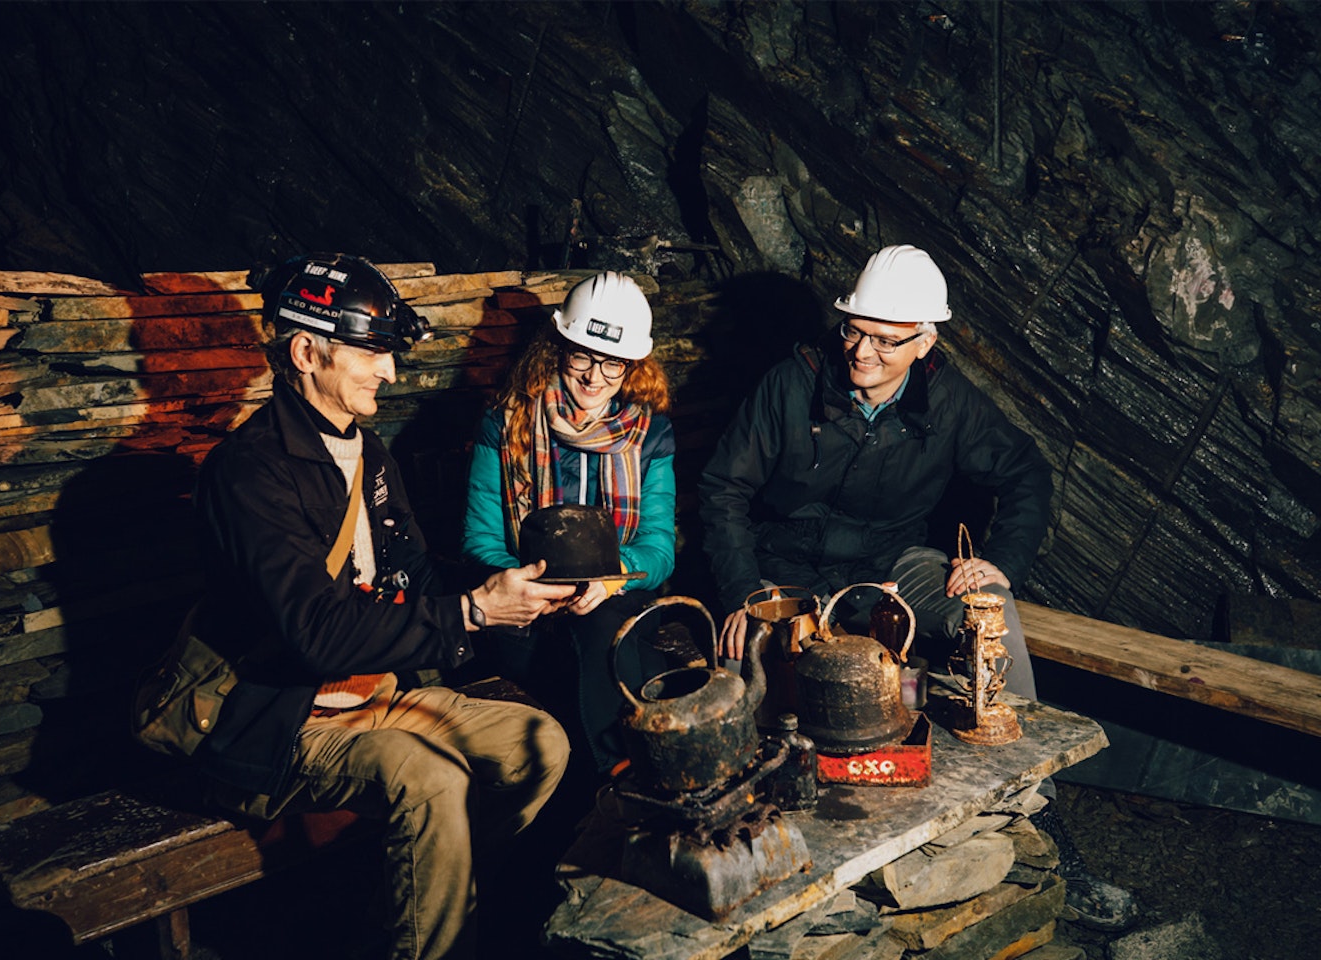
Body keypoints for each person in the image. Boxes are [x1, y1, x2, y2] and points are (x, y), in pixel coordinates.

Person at [698, 243, 1136, 930]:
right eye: (854, 330)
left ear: (925, 340)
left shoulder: (950, 401)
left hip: (887, 564)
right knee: (745, 670)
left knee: (989, 619)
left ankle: (1041, 824)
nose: (862, 352)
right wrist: (742, 589)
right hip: (787, 567)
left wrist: (1001, 561)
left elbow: (1025, 473)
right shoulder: (792, 384)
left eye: (885, 339)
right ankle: (763, 869)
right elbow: (724, 488)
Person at [188, 252, 579, 960]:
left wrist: (508, 603)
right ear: (307, 352)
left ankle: (427, 916)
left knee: (540, 744)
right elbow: (317, 636)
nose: (390, 373)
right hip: (286, 716)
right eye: (371, 353)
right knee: (430, 778)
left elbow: (415, 573)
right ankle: (435, 941)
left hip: (382, 692)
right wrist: (470, 615)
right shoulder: (251, 473)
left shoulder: (366, 452)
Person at [461, 271, 676, 778]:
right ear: (557, 349)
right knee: (619, 666)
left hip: (613, 601)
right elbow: (481, 540)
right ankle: (623, 781)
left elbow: (658, 547)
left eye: (613, 364)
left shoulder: (650, 433)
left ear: (633, 365)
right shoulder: (507, 421)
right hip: (525, 610)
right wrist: (532, 585)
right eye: (582, 356)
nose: (594, 378)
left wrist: (609, 577)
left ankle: (612, 781)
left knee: (605, 628)